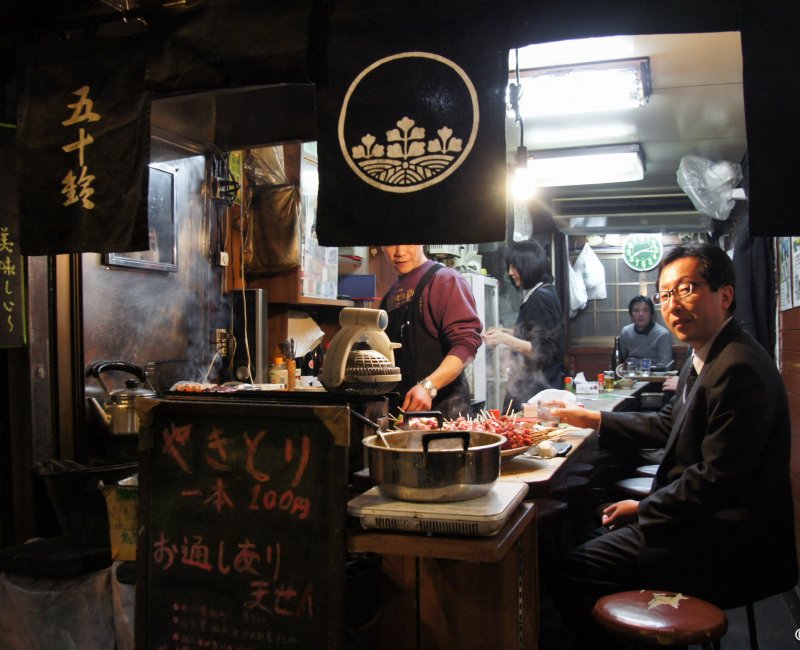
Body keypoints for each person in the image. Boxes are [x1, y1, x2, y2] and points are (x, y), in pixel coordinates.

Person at [550, 243, 797, 648]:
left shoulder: (738, 366)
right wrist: (592, 419)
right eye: (665, 294)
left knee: (576, 567)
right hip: (704, 518)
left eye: (687, 289)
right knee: (590, 537)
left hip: (727, 539)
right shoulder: (706, 355)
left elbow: (716, 479)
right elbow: (668, 424)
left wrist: (644, 508)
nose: (673, 304)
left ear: (725, 295)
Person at [380, 245, 482, 417]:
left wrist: (428, 386)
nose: (400, 252)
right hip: (404, 414)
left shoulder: (445, 280)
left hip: (446, 414)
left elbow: (465, 345)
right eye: (391, 243)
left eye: (408, 242)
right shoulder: (391, 294)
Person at [482, 239, 564, 413]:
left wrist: (505, 339)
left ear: (529, 265)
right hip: (537, 389)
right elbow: (539, 334)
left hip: (535, 394)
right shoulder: (545, 291)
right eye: (509, 267)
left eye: (515, 266)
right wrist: (509, 332)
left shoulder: (540, 297)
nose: (510, 273)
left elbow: (544, 350)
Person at [618, 295, 673, 368]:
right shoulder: (626, 332)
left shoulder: (662, 334)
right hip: (630, 373)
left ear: (651, 313)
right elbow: (620, 361)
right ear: (631, 314)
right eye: (636, 310)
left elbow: (666, 365)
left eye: (645, 310)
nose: (641, 314)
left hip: (655, 374)